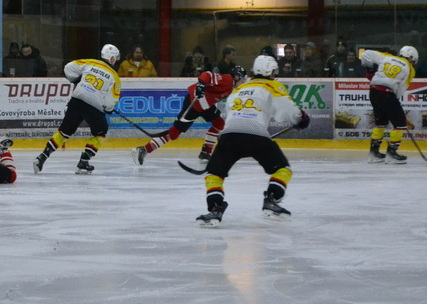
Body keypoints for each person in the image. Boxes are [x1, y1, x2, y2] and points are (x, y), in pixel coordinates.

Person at [194, 55, 310, 227]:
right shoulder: (273, 85)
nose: (275, 74)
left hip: (229, 135)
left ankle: (215, 209)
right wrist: (300, 119)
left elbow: (230, 110)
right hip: (256, 134)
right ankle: (271, 199)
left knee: (214, 175)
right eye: (274, 71)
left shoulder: (240, 88)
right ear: (270, 71)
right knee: (282, 169)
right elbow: (288, 109)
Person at [132, 64, 247, 165]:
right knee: (174, 133)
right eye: (242, 79)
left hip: (205, 106)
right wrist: (201, 84)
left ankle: (206, 151)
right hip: (194, 103)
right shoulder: (227, 80)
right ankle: (143, 149)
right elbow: (207, 74)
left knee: (219, 123)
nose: (243, 82)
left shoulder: (232, 87)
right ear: (236, 77)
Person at [33, 44, 121, 175]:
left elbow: (68, 67)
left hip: (77, 99)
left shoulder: (90, 62)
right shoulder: (114, 76)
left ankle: (42, 157)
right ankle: (84, 161)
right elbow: (111, 100)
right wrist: (108, 109)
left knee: (64, 132)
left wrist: (75, 79)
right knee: (101, 131)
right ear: (112, 58)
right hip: (93, 105)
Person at [359, 46, 418, 164]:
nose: (412, 62)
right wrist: (394, 101)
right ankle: (392, 154)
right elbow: (401, 88)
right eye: (413, 60)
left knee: (381, 123)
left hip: (373, 91)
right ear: (411, 57)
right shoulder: (410, 69)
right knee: (400, 123)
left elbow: (365, 54)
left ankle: (374, 154)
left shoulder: (388, 57)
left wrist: (369, 69)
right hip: (387, 94)